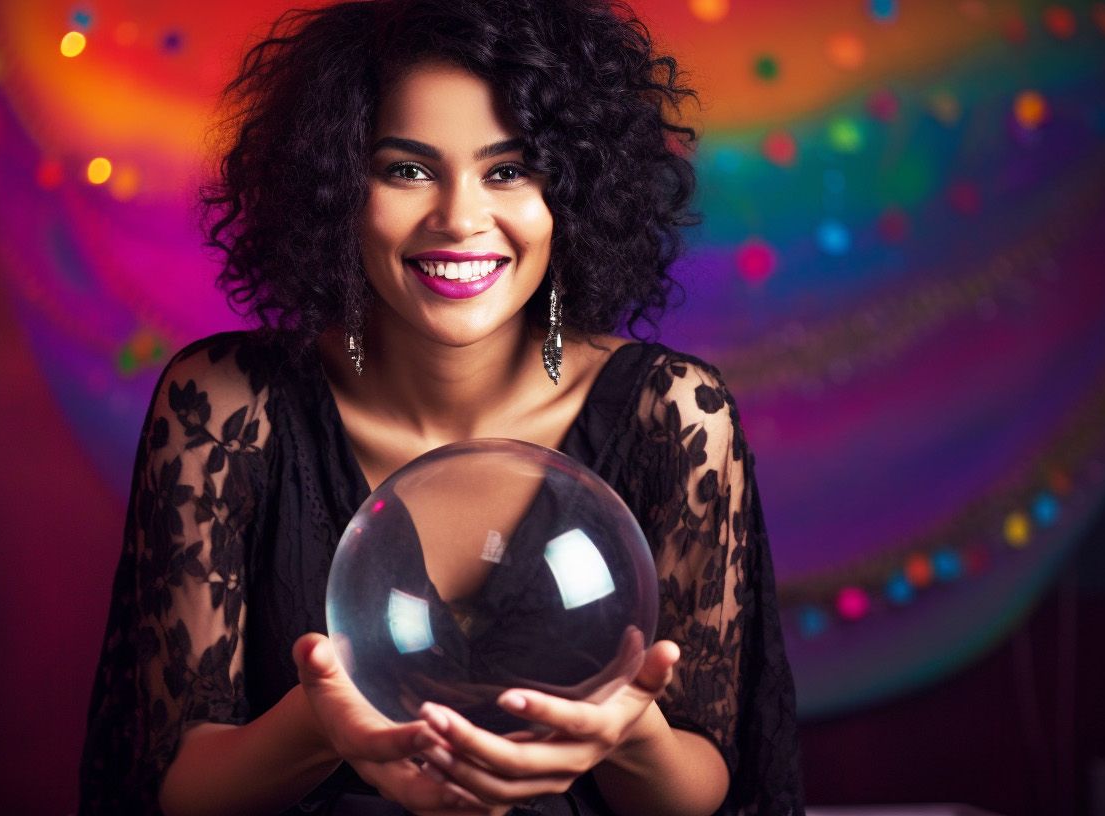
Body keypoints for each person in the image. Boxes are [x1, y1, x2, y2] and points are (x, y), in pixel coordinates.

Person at [78, 0, 804, 813]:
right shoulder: (222, 407)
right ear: (333, 188)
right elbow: (179, 790)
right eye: (406, 169)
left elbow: (702, 791)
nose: (459, 219)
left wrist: (631, 738)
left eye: (509, 170)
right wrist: (318, 727)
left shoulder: (677, 415)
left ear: (577, 190)